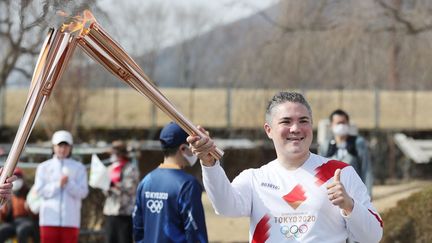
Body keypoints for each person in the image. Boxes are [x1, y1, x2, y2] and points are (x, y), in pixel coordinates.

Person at [187, 91, 383, 242]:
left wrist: (349, 205)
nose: (296, 128)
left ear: (311, 126)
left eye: (303, 121)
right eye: (286, 121)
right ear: (269, 130)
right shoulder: (255, 179)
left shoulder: (339, 173)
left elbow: (373, 236)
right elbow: (225, 207)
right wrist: (209, 162)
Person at [132, 122, 208, 243]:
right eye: (193, 145)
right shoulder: (188, 184)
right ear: (183, 148)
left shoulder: (146, 181)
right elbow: (196, 233)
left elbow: (138, 228)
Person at [34, 130, 89, 243]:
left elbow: (83, 192)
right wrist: (58, 184)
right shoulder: (44, 167)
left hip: (71, 220)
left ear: (71, 147)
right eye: (60, 145)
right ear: (53, 146)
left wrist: (69, 184)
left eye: (66, 146)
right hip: (48, 219)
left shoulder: (79, 167)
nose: (63, 149)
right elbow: (39, 190)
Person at [318, 109, 373, 196]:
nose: (341, 126)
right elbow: (320, 173)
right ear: (331, 125)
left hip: (354, 195)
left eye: (343, 123)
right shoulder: (326, 146)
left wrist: (368, 195)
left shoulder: (358, 143)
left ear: (348, 124)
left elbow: (366, 170)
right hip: (332, 195)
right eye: (338, 123)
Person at [103, 140, 139, 243]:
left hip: (125, 213)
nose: (112, 156)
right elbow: (106, 192)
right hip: (111, 211)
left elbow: (130, 188)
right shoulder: (110, 168)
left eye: (115, 153)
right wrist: (104, 185)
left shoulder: (130, 168)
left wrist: (114, 185)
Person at [0, 168, 38, 243]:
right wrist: (3, 210)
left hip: (27, 221)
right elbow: (3, 216)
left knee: (22, 230)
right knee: (2, 230)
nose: (16, 182)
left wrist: (29, 208)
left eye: (18, 178)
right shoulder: (7, 195)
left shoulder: (29, 193)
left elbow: (36, 211)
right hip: (12, 221)